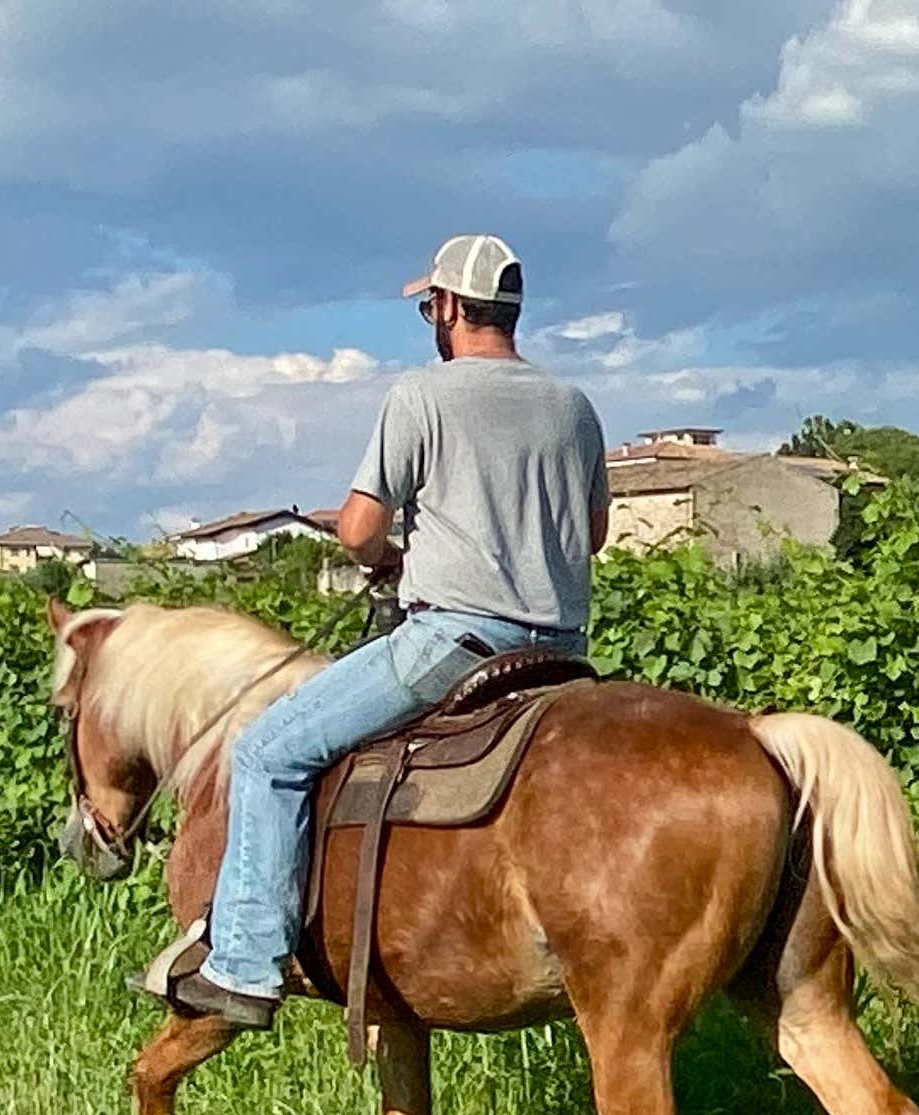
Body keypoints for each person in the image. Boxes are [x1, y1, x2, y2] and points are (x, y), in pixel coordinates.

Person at [162, 233, 609, 1029]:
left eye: (426, 306)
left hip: (452, 644)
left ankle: (243, 964)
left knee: (268, 749)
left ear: (447, 308)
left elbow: (359, 528)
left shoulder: (423, 396)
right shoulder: (572, 406)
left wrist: (391, 558)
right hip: (561, 653)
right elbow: (596, 532)